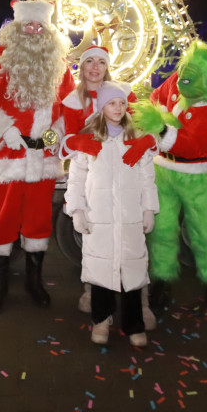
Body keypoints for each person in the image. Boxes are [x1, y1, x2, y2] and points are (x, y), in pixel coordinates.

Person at [0, 0, 75, 316]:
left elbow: (68, 111)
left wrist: (51, 139)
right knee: (0, 223)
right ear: (15, 27)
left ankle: (33, 281)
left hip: (42, 160)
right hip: (5, 158)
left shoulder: (59, 65)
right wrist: (6, 132)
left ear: (48, 30)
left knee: (38, 223)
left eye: (39, 26)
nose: (33, 30)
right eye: (28, 24)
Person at [134, 42, 207, 323]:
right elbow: (155, 98)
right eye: (181, 73)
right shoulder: (176, 80)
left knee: (205, 233)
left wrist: (161, 127)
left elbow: (192, 145)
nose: (180, 81)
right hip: (161, 171)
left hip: (196, 176)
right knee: (162, 231)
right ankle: (161, 286)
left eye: (189, 77)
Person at [59, 46, 156, 327]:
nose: (95, 66)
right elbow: (63, 138)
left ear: (107, 66)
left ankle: (141, 303)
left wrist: (147, 141)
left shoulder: (124, 92)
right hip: (95, 175)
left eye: (101, 62)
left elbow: (143, 125)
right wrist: (74, 142)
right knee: (97, 240)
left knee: (132, 244)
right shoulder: (72, 100)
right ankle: (96, 297)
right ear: (82, 65)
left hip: (125, 172)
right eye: (89, 60)